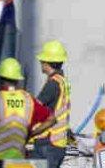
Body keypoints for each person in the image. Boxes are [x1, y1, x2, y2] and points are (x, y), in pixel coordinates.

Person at [0, 58, 54, 168]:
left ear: (0, 79)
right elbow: (51, 119)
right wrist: (32, 134)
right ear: (18, 80)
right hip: (17, 159)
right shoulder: (28, 100)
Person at [30, 40, 71, 168]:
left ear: (47, 63)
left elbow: (35, 108)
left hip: (48, 141)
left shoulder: (52, 84)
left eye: (42, 60)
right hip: (58, 143)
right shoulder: (63, 81)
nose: (40, 63)